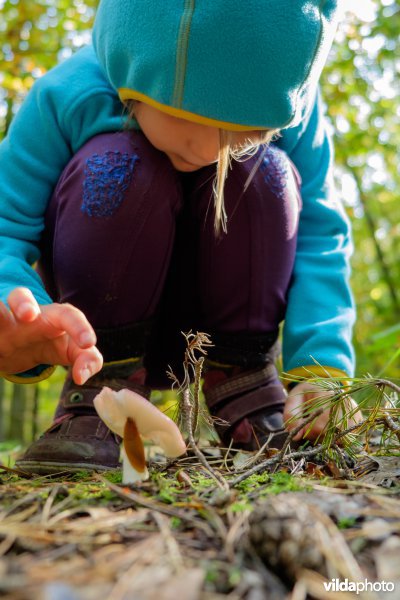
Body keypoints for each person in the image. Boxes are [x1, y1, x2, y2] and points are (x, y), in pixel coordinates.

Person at [0, 0, 361, 473]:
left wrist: (323, 368)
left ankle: (243, 378)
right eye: (187, 131)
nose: (214, 153)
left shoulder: (293, 105)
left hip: (229, 321)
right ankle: (102, 388)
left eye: (244, 135)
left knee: (266, 173)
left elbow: (319, 236)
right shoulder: (69, 95)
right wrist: (11, 306)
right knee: (118, 164)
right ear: (133, 75)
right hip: (99, 313)